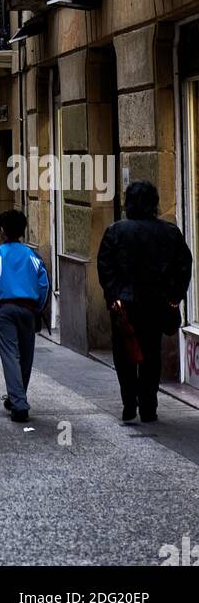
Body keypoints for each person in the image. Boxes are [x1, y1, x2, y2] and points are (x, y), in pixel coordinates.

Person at [97, 180, 193, 423]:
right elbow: (183, 266)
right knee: (151, 354)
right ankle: (149, 406)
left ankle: (129, 403)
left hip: (125, 304)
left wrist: (113, 296)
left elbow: (105, 267)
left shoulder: (116, 231)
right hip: (156, 303)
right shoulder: (170, 232)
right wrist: (174, 297)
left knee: (125, 355)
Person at [0, 209, 50, 423]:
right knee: (26, 355)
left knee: (10, 355)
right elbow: (44, 284)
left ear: (2, 230)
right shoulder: (33, 256)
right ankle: (17, 397)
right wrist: (38, 309)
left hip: (4, 308)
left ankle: (19, 402)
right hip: (29, 309)